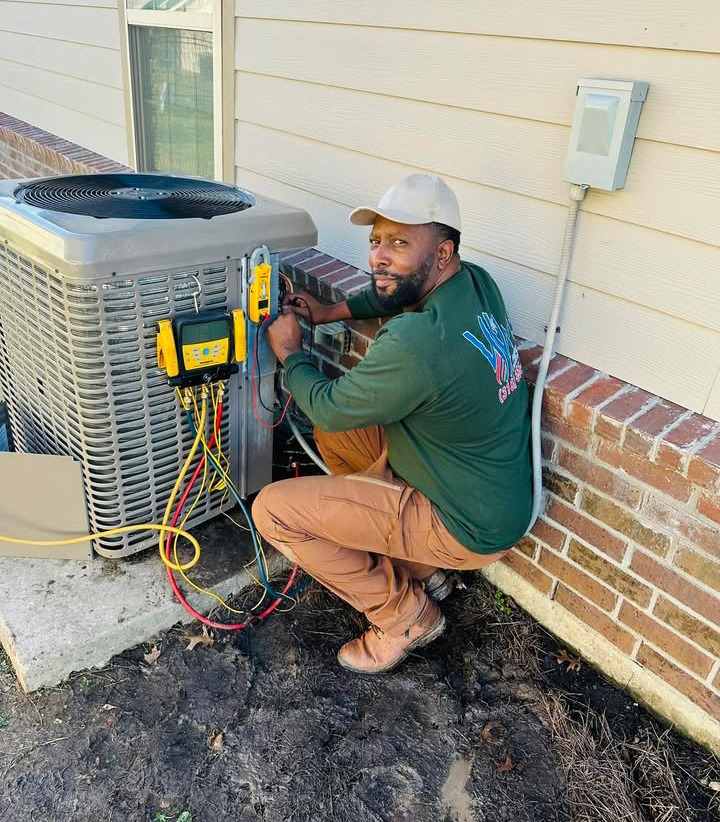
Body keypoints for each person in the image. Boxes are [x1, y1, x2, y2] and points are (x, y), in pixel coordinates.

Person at [252, 173, 532, 674]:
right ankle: (422, 569)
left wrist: (291, 349)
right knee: (338, 432)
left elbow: (330, 404)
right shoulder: (476, 284)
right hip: (488, 490)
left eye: (400, 242)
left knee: (273, 510)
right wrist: (329, 311)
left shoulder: (418, 342)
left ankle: (405, 616)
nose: (380, 255)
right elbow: (390, 293)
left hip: (463, 523)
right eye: (376, 241)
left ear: (443, 252)